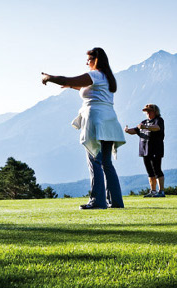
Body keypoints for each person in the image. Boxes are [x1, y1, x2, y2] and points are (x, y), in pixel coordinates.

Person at [42, 47, 125, 209]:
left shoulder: (94, 75)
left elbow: (68, 80)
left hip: (95, 120)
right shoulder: (107, 78)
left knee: (94, 160)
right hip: (110, 120)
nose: (86, 62)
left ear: (96, 60)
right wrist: (71, 86)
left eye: (88, 59)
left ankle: (97, 201)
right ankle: (115, 202)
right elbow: (82, 87)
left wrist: (48, 77)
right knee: (106, 163)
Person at [124, 104, 165, 198]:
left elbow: (157, 128)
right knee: (150, 171)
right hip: (145, 150)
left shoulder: (159, 120)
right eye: (146, 111)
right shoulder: (144, 122)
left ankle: (161, 191)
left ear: (155, 111)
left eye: (149, 111)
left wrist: (145, 127)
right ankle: (153, 191)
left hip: (156, 149)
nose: (147, 113)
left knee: (157, 169)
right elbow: (135, 130)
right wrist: (127, 130)